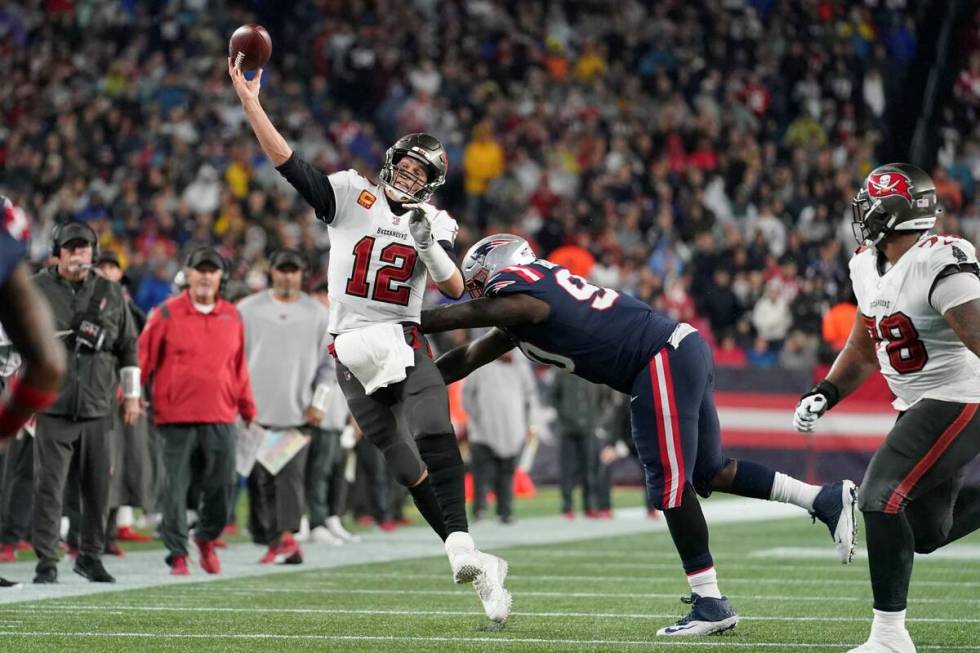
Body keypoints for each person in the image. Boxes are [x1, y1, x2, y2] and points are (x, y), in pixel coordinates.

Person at [420, 233, 859, 636]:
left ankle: (710, 603)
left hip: (659, 358)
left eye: (478, 284)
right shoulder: (526, 305)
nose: (476, 292)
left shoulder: (524, 295)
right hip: (679, 349)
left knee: (669, 486)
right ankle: (821, 498)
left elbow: (490, 310)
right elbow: (469, 355)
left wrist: (405, 320)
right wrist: (411, 384)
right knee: (710, 471)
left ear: (496, 271)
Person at [230, 59, 510, 622]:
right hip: (347, 350)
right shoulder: (351, 194)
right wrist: (252, 104)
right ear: (390, 163)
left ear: (430, 183)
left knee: (435, 430)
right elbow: (288, 163)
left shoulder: (437, 219)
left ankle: (460, 549)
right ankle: (476, 557)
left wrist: (428, 242)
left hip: (402, 338)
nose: (407, 177)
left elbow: (455, 289)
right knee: (405, 465)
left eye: (418, 172)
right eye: (403, 166)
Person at [793, 163, 980, 653]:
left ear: (894, 212)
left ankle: (890, 637)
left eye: (871, 201)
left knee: (879, 497)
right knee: (923, 532)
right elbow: (861, 348)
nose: (862, 209)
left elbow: (978, 336)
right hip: (920, 401)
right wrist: (826, 392)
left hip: (960, 397)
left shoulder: (939, 260)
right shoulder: (865, 264)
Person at [31, 221, 140, 585]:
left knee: (98, 489)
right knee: (48, 489)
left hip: (98, 407)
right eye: (71, 248)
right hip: (51, 405)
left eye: (84, 248)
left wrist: (133, 396)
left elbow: (128, 346)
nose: (79, 254)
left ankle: (90, 556)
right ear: (57, 253)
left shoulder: (110, 290)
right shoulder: (35, 289)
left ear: (93, 252)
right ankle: (47, 561)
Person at [138, 246, 256, 576]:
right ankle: (177, 553)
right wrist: (131, 396)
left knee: (222, 487)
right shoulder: (163, 313)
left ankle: (205, 537)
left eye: (212, 270)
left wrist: (248, 407)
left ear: (221, 277)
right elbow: (142, 359)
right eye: (200, 270)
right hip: (173, 417)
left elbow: (238, 368)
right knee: (173, 489)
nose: (206, 276)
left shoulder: (233, 316)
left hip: (220, 415)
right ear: (187, 275)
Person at [238, 249, 334, 564]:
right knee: (260, 482)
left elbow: (328, 367)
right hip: (252, 415)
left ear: (302, 274)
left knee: (289, 478)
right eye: (282, 270)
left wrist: (319, 404)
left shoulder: (318, 314)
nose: (287, 276)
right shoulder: (248, 310)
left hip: (296, 414)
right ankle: (272, 541)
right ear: (272, 273)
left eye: (293, 271)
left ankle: (288, 540)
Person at [462, 349, 540, 524]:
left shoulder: (521, 367)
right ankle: (480, 510)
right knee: (481, 473)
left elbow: (530, 397)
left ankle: (505, 511)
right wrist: (477, 418)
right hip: (482, 431)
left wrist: (530, 423)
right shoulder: (480, 365)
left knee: (507, 473)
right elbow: (467, 394)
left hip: (513, 429)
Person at [551, 372, 604, 519]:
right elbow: (553, 397)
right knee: (567, 470)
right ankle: (567, 506)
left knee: (589, 469)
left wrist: (596, 420)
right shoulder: (561, 372)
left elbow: (603, 399)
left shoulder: (593, 370)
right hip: (567, 430)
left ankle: (590, 506)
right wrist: (563, 417)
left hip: (588, 429)